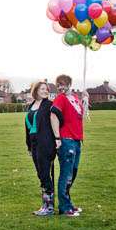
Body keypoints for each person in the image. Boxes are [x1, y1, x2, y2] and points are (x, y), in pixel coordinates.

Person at [50, 74, 88, 217]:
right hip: (67, 140)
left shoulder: (75, 98)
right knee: (66, 174)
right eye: (58, 85)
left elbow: (79, 117)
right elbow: (53, 116)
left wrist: (85, 100)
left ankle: (68, 203)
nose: (60, 87)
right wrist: (57, 137)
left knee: (73, 173)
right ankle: (64, 208)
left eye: (63, 84)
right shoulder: (60, 98)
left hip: (77, 140)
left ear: (69, 84)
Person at [25, 80, 56, 216]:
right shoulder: (31, 106)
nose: (45, 91)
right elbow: (28, 128)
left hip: (46, 144)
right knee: (40, 174)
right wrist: (29, 146)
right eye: (42, 89)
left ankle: (49, 207)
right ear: (36, 90)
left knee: (44, 174)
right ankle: (45, 205)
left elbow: (59, 119)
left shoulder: (49, 105)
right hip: (34, 145)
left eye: (46, 89)